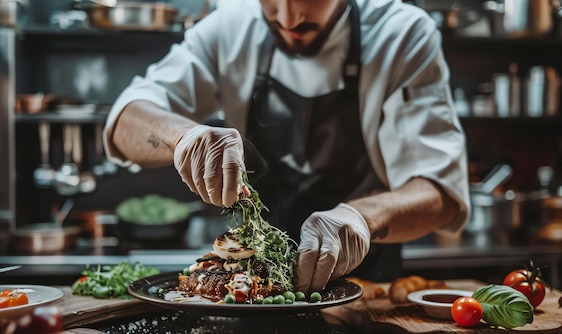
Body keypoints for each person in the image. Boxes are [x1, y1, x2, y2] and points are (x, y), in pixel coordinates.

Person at [103, 0, 470, 294]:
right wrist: (181, 136)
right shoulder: (230, 26)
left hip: (362, 290)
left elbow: (441, 193)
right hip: (248, 290)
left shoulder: (401, 34)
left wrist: (363, 218)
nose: (288, 16)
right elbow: (124, 120)